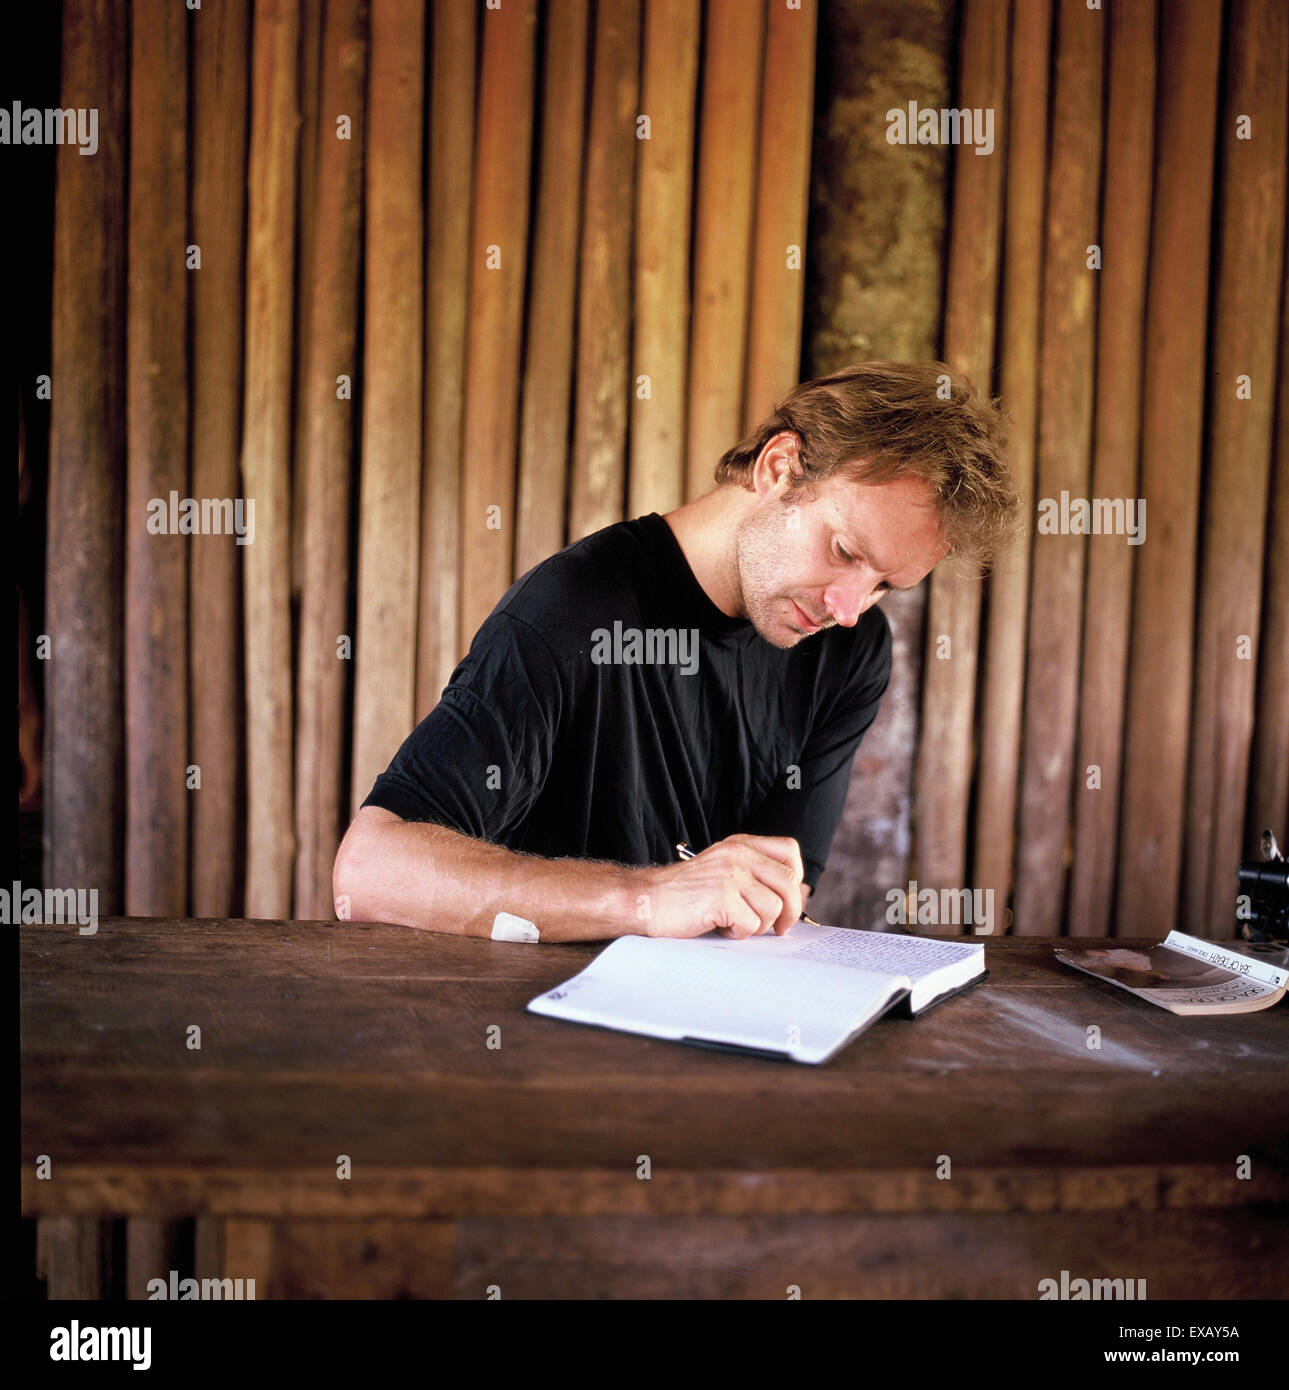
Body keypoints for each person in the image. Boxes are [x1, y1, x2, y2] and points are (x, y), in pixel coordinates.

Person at [333, 361, 1020, 943]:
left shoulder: (850, 652)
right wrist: (646, 899)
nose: (847, 609)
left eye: (882, 586)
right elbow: (367, 874)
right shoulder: (574, 608)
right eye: (843, 551)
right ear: (778, 468)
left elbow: (771, 900)